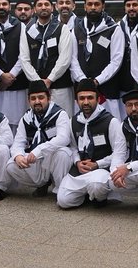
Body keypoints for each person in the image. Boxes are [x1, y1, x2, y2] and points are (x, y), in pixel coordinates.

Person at [56, 79, 127, 209]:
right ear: (77, 101)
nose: (86, 102)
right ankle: (86, 196)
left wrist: (97, 164)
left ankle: (100, 198)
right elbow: (72, 147)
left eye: (90, 98)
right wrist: (77, 162)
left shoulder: (111, 122)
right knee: (63, 201)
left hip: (101, 170)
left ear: (98, 99)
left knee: (96, 185)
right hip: (80, 170)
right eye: (82, 98)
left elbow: (119, 152)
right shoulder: (73, 121)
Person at [6, 80, 74, 196]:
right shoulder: (26, 118)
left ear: (49, 98)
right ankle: (42, 184)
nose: (37, 101)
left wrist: (39, 150)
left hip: (53, 156)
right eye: (33, 98)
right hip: (35, 159)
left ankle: (60, 189)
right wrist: (18, 155)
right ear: (29, 101)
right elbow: (18, 142)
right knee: (11, 165)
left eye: (41, 97)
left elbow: (64, 138)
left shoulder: (59, 114)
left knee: (63, 153)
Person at [70, 0, 125, 117]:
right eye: (90, 4)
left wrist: (98, 80)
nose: (93, 7)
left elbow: (116, 60)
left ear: (103, 6)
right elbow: (72, 59)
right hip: (83, 91)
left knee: (110, 127)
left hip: (107, 90)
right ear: (84, 7)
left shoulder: (113, 29)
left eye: (96, 4)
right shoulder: (76, 30)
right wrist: (84, 81)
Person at [19, 0, 76, 115]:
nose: (43, 7)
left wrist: (49, 80)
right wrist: (38, 82)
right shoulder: (27, 30)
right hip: (37, 89)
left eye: (46, 4)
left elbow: (65, 59)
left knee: (64, 121)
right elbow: (24, 59)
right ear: (34, 9)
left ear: (52, 8)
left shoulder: (62, 28)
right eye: (39, 5)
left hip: (60, 87)